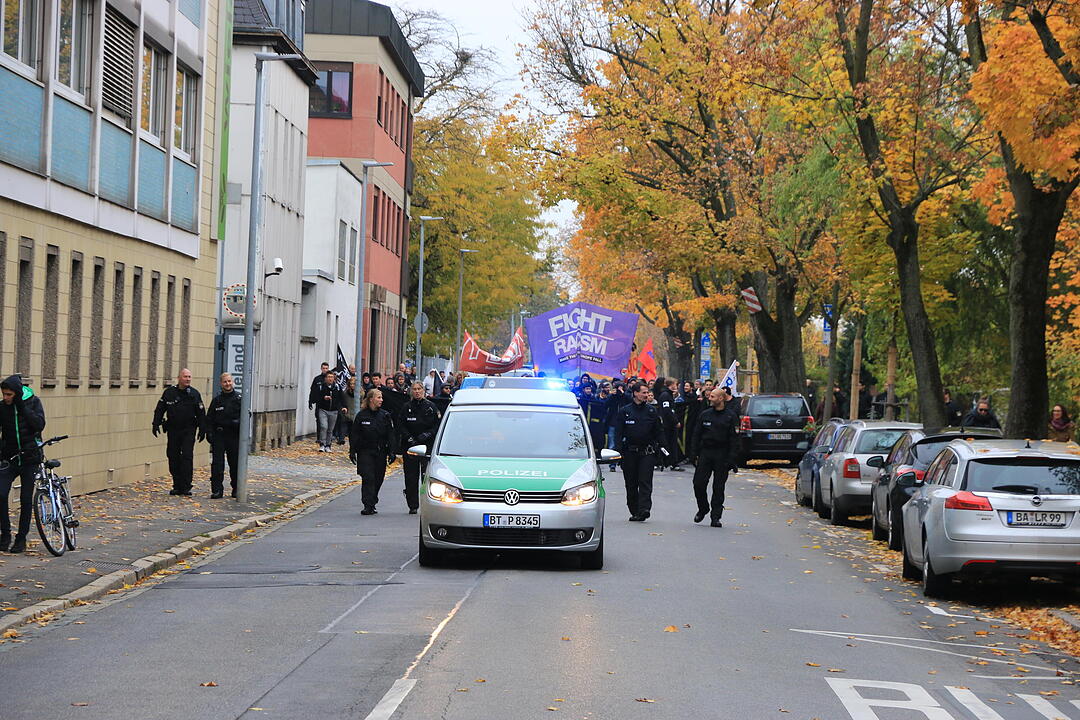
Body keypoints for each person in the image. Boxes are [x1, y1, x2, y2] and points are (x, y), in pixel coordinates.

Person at [0, 375, 45, 553]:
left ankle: (21, 539)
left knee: (26, 499)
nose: (6, 398)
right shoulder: (3, 407)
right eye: (4, 394)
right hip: (10, 458)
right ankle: (5, 535)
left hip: (30, 458)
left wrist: (22, 407)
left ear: (17, 394)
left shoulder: (33, 402)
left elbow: (39, 425)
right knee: (1, 494)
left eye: (9, 394)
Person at [614, 381, 664, 522]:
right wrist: (618, 452)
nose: (646, 395)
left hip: (647, 453)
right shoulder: (625, 411)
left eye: (647, 392)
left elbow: (659, 432)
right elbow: (618, 433)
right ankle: (634, 510)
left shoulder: (651, 411)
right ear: (635, 393)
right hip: (629, 453)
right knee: (631, 483)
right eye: (643, 392)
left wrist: (663, 449)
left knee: (645, 481)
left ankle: (644, 509)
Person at [153, 369, 205, 496]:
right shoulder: (169, 393)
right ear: (179, 378)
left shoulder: (194, 394)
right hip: (173, 429)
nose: (188, 379)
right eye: (185, 377)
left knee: (187, 456)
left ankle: (186, 486)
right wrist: (156, 423)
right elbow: (160, 409)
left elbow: (201, 413)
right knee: (173, 455)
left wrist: (203, 429)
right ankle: (177, 484)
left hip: (189, 430)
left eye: (189, 377)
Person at [690, 388, 738, 527]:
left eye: (712, 396)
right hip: (706, 452)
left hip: (722, 454)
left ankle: (716, 516)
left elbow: (735, 439)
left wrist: (732, 458)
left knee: (718, 487)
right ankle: (703, 508)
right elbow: (696, 434)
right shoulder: (705, 414)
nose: (709, 398)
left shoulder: (730, 416)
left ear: (721, 399)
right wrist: (693, 453)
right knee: (698, 483)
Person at [350, 389, 397, 515]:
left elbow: (391, 435)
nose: (381, 400)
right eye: (378, 397)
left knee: (378, 478)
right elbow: (354, 434)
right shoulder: (361, 415)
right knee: (368, 477)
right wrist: (352, 450)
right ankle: (367, 504)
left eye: (381, 398)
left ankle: (373, 500)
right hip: (365, 451)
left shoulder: (385, 415)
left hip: (380, 451)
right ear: (371, 399)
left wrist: (392, 451)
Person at [399, 382, 440, 513]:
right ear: (411, 391)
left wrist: (428, 434)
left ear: (423, 390)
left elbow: (437, 425)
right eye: (414, 389)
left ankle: (427, 504)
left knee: (426, 477)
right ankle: (413, 505)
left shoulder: (431, 407)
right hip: (410, 446)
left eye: (419, 389)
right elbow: (401, 425)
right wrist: (409, 437)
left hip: (426, 445)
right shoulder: (406, 407)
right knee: (411, 477)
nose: (417, 392)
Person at [205, 372, 241, 499]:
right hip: (219, 435)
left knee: (235, 464)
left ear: (233, 382)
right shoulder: (217, 400)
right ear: (221, 383)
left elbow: (245, 418)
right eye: (225, 382)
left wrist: (237, 423)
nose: (227, 384)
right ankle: (217, 490)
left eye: (229, 381)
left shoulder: (239, 399)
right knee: (217, 464)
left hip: (233, 435)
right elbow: (209, 418)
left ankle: (236, 489)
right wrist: (209, 432)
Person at [313, 371, 345, 452]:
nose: (330, 379)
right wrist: (323, 398)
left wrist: (344, 407)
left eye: (331, 377)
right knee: (324, 426)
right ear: (325, 378)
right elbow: (316, 397)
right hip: (323, 409)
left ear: (334, 378)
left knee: (330, 429)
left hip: (334, 411)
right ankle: (322, 444)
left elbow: (342, 398)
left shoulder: (337, 387)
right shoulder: (321, 387)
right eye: (328, 377)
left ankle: (328, 445)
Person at [653, 377, 681, 470]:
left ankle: (671, 462)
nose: (676, 386)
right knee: (667, 443)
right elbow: (667, 410)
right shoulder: (665, 395)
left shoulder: (669, 394)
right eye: (675, 384)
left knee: (671, 443)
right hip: (667, 424)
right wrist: (675, 421)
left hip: (669, 424)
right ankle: (661, 461)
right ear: (672, 385)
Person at [307, 362, 331, 442]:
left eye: (326, 368)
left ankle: (327, 438)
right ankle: (319, 438)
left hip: (329, 404)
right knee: (319, 420)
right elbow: (313, 391)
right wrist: (310, 401)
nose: (325, 370)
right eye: (323, 368)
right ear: (321, 369)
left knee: (328, 422)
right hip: (319, 402)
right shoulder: (317, 379)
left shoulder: (330, 379)